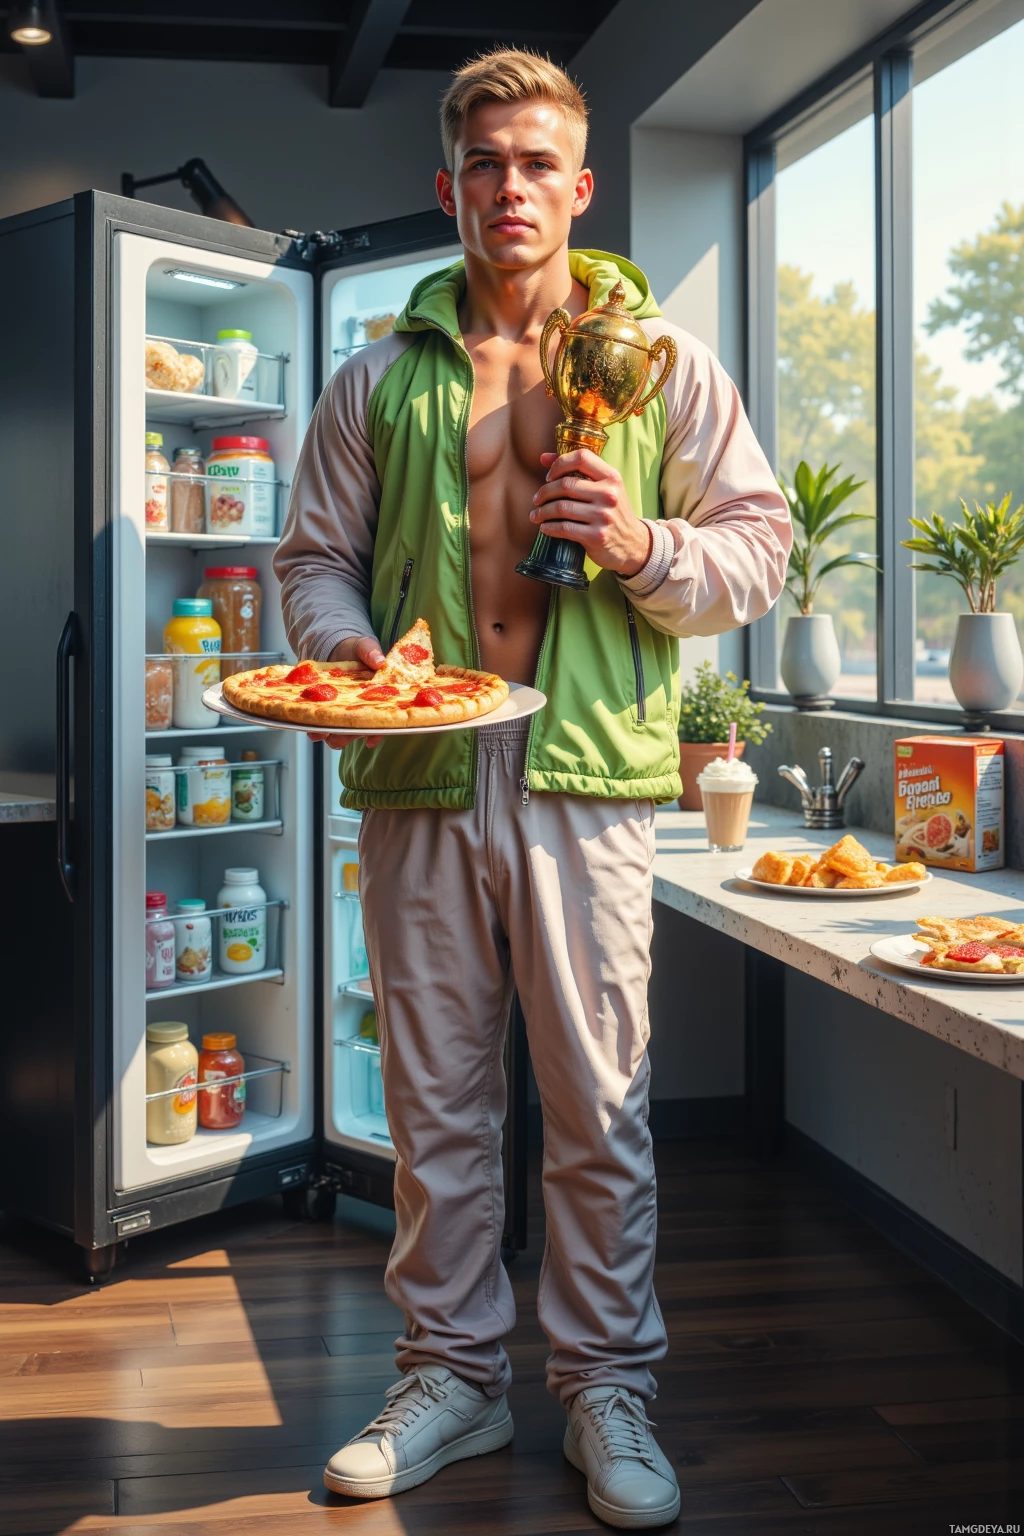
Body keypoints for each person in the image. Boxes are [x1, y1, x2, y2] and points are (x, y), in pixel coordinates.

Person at [274, 47, 791, 1531]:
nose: (511, 185)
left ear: (582, 185)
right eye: (485, 162)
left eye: (537, 162)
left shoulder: (664, 366)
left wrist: (641, 547)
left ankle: (607, 1388)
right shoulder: (377, 377)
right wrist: (352, 653)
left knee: (600, 1105)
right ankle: (453, 1376)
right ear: (448, 187)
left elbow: (756, 551)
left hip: (588, 771)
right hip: (423, 763)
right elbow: (311, 561)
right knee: (433, 1104)